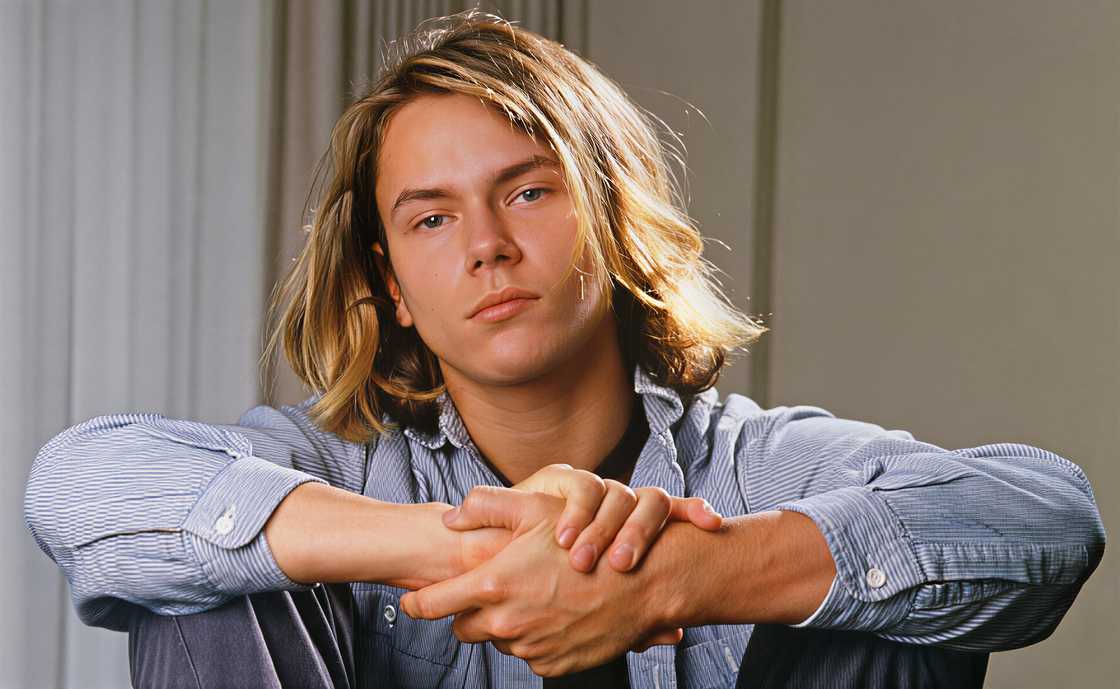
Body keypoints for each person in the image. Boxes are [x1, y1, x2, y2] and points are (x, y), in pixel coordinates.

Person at [24, 9, 1105, 689]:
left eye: (528, 191)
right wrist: (467, 546)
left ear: (610, 218)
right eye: (432, 218)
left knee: (869, 577)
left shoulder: (750, 463)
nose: (488, 246)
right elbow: (77, 481)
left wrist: (684, 575)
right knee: (217, 567)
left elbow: (1047, 517)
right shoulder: (340, 470)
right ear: (392, 285)